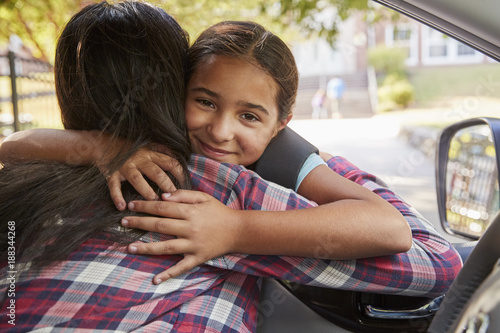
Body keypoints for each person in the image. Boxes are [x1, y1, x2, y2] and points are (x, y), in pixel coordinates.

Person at [0, 4, 461, 331]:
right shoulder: (209, 189)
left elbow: (13, 145)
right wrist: (297, 167)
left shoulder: (20, 182)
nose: (220, 132)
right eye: (203, 101)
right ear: (175, 89)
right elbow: (433, 259)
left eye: (249, 116)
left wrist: (96, 146)